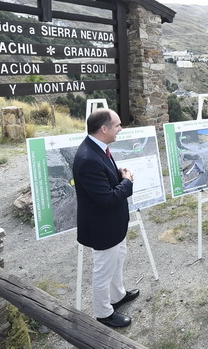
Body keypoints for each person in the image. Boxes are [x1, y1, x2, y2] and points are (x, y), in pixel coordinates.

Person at [72, 108, 140, 328]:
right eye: (117, 125)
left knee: (118, 260)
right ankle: (103, 313)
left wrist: (117, 175)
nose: (120, 129)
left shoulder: (97, 148)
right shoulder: (88, 158)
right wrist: (127, 182)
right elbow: (106, 199)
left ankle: (117, 296)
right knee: (103, 271)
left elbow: (104, 184)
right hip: (103, 227)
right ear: (104, 129)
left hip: (113, 224)